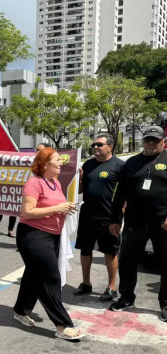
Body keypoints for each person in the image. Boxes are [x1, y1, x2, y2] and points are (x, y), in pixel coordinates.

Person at [13, 147, 84, 340]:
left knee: (33, 275)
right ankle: (63, 325)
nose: (61, 162)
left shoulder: (55, 183)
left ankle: (20, 310)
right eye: (57, 159)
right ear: (45, 164)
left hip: (52, 236)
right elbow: (27, 212)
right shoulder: (34, 183)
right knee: (50, 278)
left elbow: (54, 207)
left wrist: (65, 208)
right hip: (33, 236)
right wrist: (58, 207)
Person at [108, 126, 167, 321]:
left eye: (155, 140)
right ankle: (126, 297)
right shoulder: (131, 163)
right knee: (127, 260)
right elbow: (120, 194)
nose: (150, 143)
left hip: (162, 223)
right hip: (135, 221)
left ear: (163, 142)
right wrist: (114, 219)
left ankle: (165, 303)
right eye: (147, 139)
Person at [73, 134, 124, 301]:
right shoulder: (88, 165)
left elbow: (127, 195)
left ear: (110, 146)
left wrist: (118, 218)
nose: (95, 147)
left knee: (110, 251)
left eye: (99, 145)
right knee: (85, 249)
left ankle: (112, 287)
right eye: (94, 144)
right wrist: (79, 180)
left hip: (109, 218)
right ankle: (86, 283)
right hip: (88, 215)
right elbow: (80, 191)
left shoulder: (119, 166)